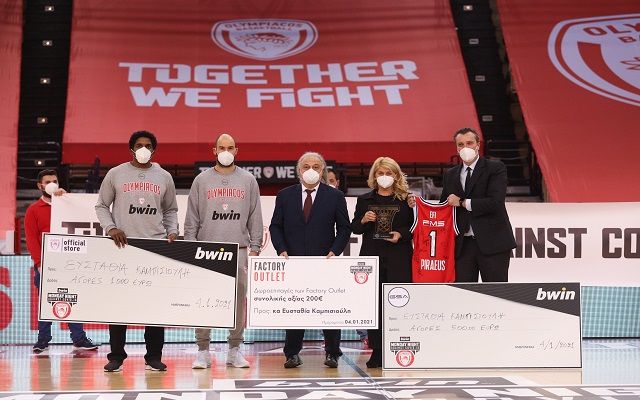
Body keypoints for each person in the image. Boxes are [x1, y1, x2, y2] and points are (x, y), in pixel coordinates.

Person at [95, 131, 179, 372]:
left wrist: (172, 230)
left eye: (148, 145)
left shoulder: (164, 176)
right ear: (131, 148)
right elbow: (102, 205)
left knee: (154, 306)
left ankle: (153, 356)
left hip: (155, 247)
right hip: (123, 247)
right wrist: (111, 228)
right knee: (119, 305)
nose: (144, 149)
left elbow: (170, 209)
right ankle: (116, 356)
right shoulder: (116, 174)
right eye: (139, 145)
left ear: (154, 149)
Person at [184, 133, 263, 369]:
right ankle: (203, 351)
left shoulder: (248, 180)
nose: (226, 151)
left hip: (238, 249)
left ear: (236, 151)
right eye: (222, 147)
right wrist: (190, 245)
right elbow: (192, 216)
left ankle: (234, 350)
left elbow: (255, 215)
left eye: (230, 147)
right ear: (214, 151)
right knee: (204, 300)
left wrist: (256, 246)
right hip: (206, 249)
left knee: (238, 301)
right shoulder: (201, 180)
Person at [269, 151, 351, 369]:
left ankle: (333, 352)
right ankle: (292, 354)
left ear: (322, 170)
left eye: (316, 166)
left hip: (325, 262)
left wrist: (335, 251)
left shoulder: (335, 196)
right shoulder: (285, 195)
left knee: (329, 308)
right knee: (295, 308)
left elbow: (344, 228)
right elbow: (275, 226)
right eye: (306, 166)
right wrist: (281, 249)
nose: (311, 170)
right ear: (299, 170)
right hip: (294, 262)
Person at [25, 170, 99, 354]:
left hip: (68, 264)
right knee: (46, 303)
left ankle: (79, 339)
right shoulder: (33, 210)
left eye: (54, 181)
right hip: (45, 265)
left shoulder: (66, 204)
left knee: (72, 300)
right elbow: (31, 239)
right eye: (47, 181)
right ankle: (42, 340)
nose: (52, 184)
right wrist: (39, 264)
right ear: (40, 186)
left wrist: (67, 199)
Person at [350, 157, 413, 368]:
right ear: (374, 175)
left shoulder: (407, 200)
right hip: (373, 257)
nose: (384, 177)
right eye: (380, 173)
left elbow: (415, 227)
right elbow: (355, 228)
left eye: (389, 173)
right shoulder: (364, 200)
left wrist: (401, 234)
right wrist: (364, 220)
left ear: (396, 175)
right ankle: (377, 351)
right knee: (375, 307)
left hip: (399, 257)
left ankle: (400, 347)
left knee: (399, 303)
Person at [440, 127, 516, 282]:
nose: (465, 147)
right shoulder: (450, 174)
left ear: (478, 145)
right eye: (460, 144)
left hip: (493, 243)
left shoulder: (495, 168)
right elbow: (444, 206)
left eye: (469, 143)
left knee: (495, 292)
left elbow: (495, 202)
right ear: (456, 148)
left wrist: (462, 202)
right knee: (464, 293)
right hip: (462, 246)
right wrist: (415, 205)